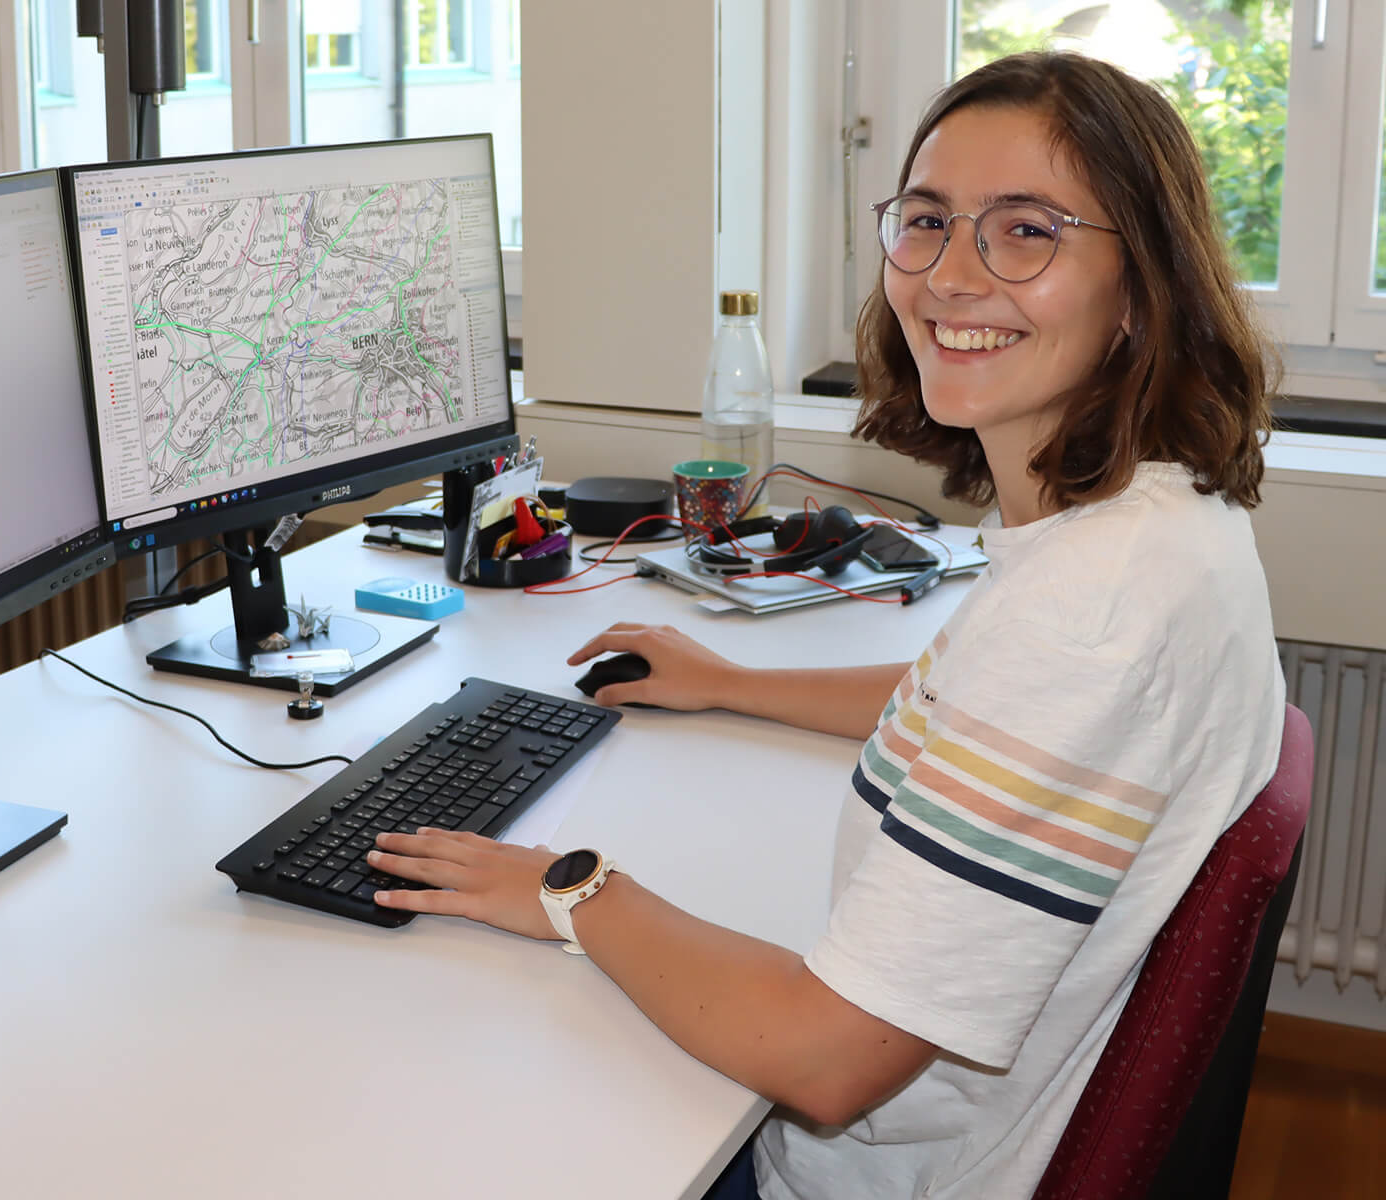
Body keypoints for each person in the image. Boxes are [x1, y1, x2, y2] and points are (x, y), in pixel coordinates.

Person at [365, 51, 1285, 1199]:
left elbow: (826, 1059)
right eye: (930, 221)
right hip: (939, 1129)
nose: (952, 276)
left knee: (428, 1103)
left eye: (1027, 231)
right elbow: (975, 707)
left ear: (1141, 285)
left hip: (862, 1174)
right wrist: (731, 678)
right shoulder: (1157, 519)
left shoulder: (1089, 614)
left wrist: (567, 886)